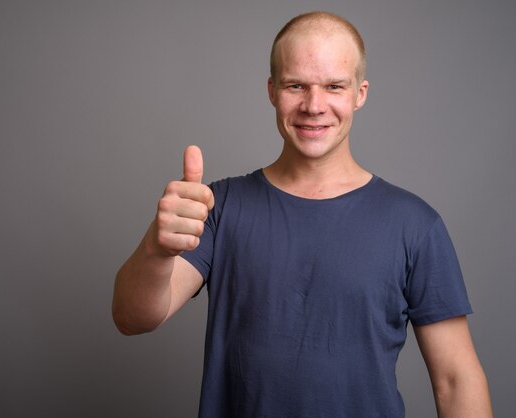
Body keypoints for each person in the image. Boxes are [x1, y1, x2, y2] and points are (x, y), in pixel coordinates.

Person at [112, 11, 493, 418]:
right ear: (272, 90)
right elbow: (133, 318)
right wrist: (156, 248)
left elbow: (455, 380)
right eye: (297, 85)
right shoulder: (218, 206)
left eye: (334, 86)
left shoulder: (415, 224)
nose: (314, 106)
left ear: (359, 93)